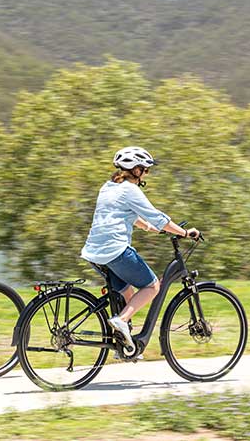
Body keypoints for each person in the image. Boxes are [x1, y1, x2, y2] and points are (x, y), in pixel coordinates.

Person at [80, 146, 199, 351]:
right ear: (136, 170)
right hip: (115, 250)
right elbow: (158, 216)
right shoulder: (130, 189)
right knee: (153, 287)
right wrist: (185, 233)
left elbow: (125, 215)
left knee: (128, 293)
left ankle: (124, 345)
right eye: (146, 169)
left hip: (95, 251)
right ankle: (121, 321)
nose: (147, 173)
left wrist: (148, 227)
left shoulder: (108, 187)